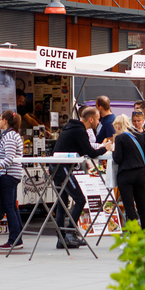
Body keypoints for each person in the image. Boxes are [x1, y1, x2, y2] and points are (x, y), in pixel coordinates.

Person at [51, 106, 113, 248]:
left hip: (56, 167)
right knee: (80, 199)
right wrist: (105, 148)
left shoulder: (70, 127)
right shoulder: (80, 131)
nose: (98, 122)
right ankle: (70, 232)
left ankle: (61, 238)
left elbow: (82, 149)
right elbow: (91, 153)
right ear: (90, 119)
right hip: (63, 168)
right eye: (97, 119)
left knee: (62, 202)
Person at [0, 111, 25, 249]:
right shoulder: (12, 135)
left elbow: (9, 158)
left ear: (5, 121)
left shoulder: (9, 137)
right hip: (11, 174)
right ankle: (17, 237)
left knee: (9, 207)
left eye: (0, 119)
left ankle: (14, 240)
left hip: (9, 174)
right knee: (12, 206)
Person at [113, 114, 145, 230]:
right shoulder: (142, 136)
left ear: (117, 126)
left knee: (129, 206)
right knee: (142, 204)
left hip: (126, 174)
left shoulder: (119, 138)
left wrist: (113, 152)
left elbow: (118, 158)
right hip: (141, 173)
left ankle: (134, 233)